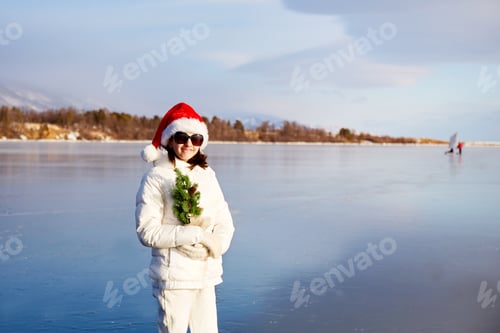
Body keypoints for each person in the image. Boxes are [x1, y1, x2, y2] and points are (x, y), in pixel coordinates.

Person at [135, 102, 235, 333]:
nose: (189, 144)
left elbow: (224, 219)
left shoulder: (207, 175)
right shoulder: (156, 177)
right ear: (169, 140)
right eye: (181, 137)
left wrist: (217, 244)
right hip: (174, 276)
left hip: (206, 272)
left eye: (196, 139)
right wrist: (194, 235)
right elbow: (146, 231)